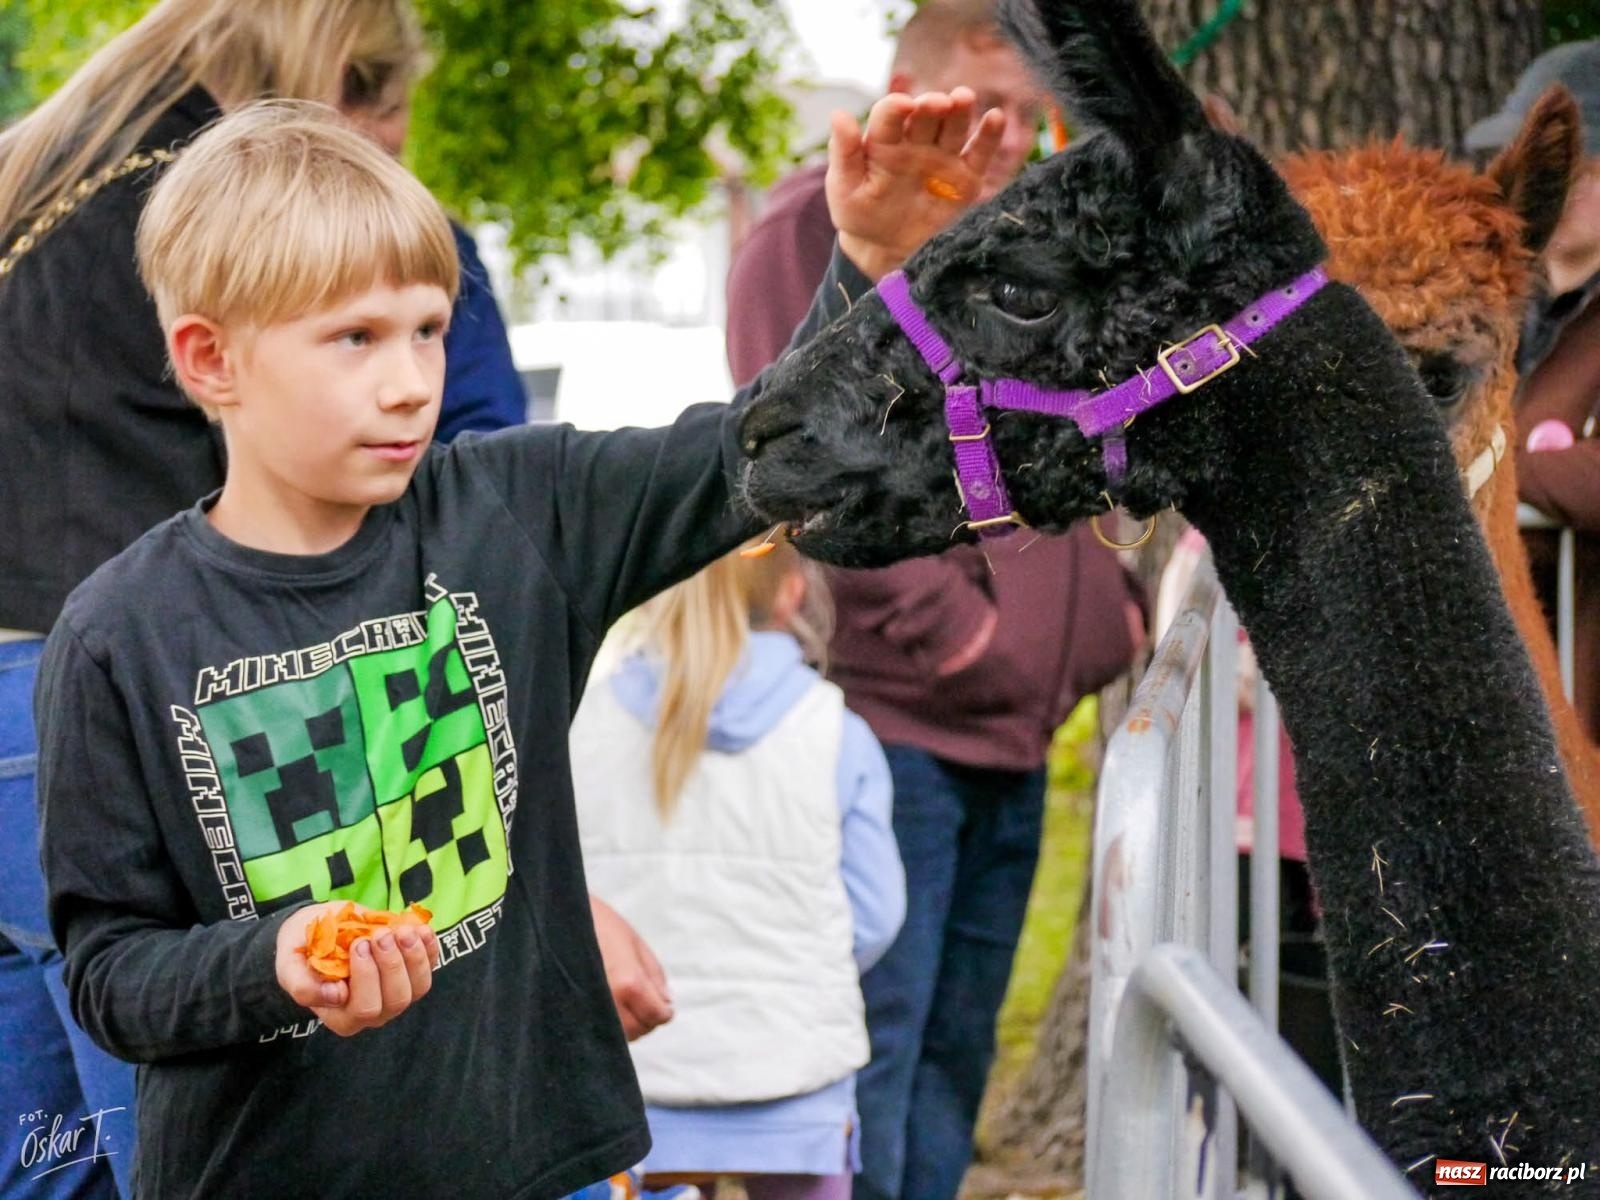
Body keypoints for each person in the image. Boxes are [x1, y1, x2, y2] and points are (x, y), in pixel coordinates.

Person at [30, 87, 1001, 1199]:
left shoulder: (518, 511)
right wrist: (272, 964)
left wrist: (873, 267)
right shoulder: (115, 634)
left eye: (429, 330)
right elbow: (108, 975)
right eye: (354, 338)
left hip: (538, 1168)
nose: (409, 383)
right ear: (211, 361)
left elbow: (760, 450)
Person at [0, 7, 449, 1196]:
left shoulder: (49, 169)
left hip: (10, 694)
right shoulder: (218, 203)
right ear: (345, 89)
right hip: (101, 695)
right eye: (391, 121)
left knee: (47, 1150)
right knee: (182, 1131)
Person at [724, 5, 1146, 1198]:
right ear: (909, 90)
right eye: (985, 109)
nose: (1010, 135)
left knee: (959, 1045)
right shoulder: (803, 235)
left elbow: (1061, 431)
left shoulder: (1019, 226)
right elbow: (790, 462)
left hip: (1016, 726)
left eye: (1027, 113)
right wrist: (955, 632)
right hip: (894, 722)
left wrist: (1096, 615)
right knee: (880, 1043)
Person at [572, 536, 905, 1200]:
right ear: (793, 593)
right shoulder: (837, 732)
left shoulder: (584, 718)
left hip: (628, 1086)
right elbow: (875, 914)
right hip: (796, 1085)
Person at [1465, 40, 1600, 741]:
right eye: (1561, 169)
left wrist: (1486, 468)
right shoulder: (1496, 313)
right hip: (1499, 690)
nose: (1569, 186)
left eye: (1591, 165)